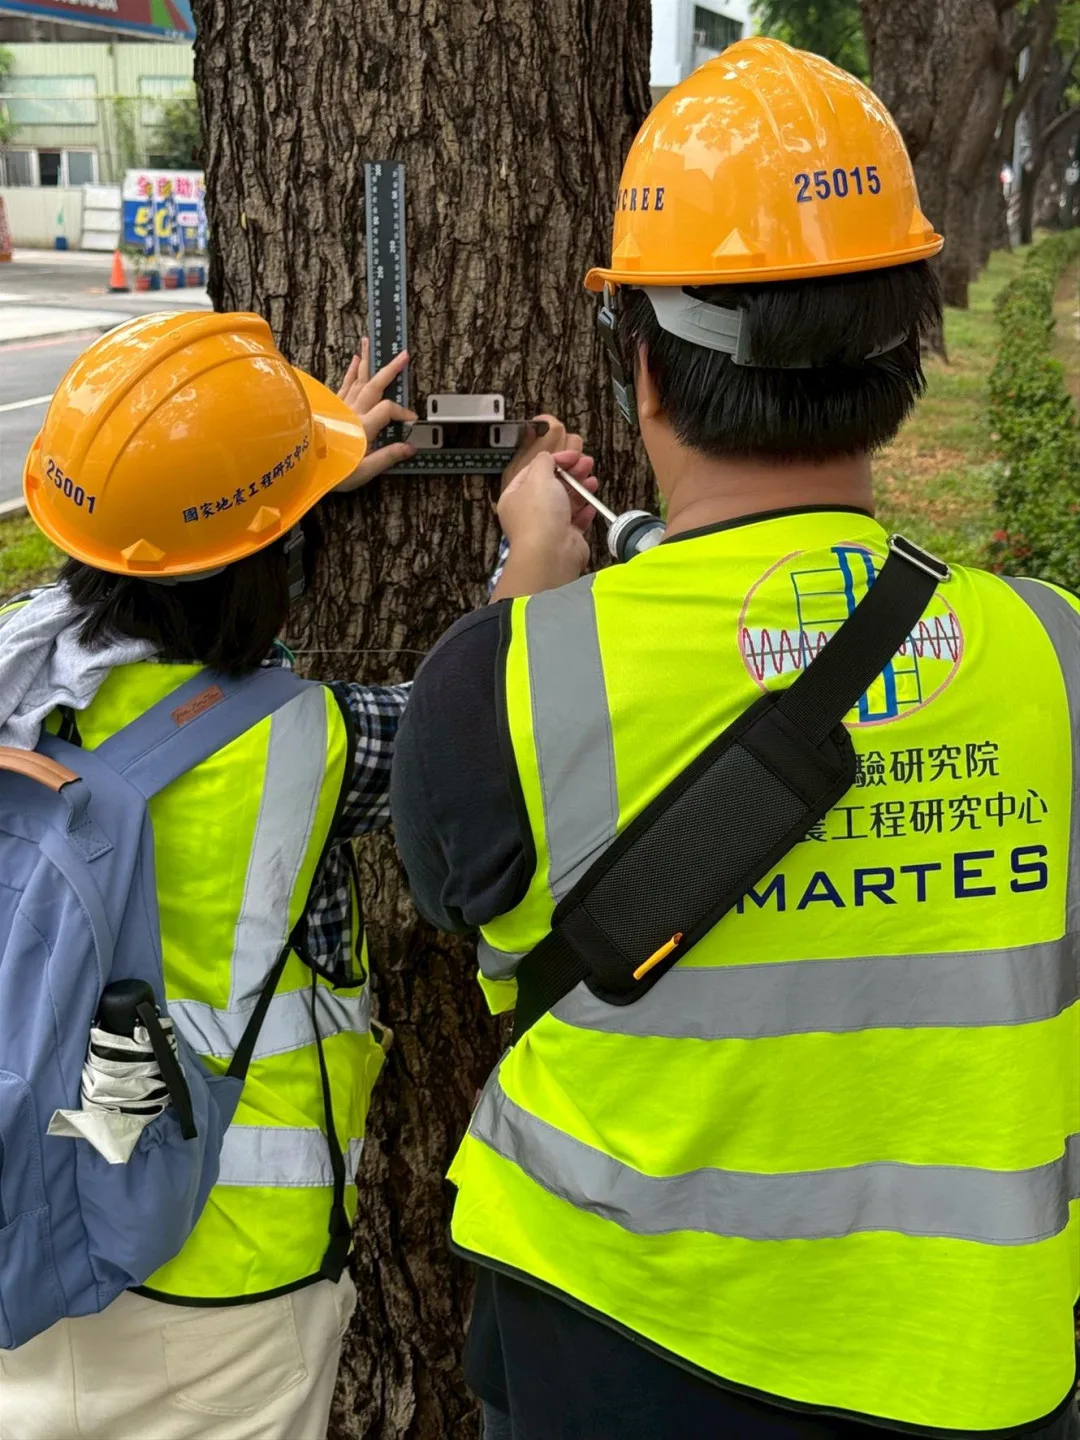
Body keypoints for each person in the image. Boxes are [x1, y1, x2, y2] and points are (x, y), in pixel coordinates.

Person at [390, 36, 1080, 1440]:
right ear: (909, 356)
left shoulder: (499, 688)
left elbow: (465, 898)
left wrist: (529, 590)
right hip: (977, 1369)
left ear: (645, 369)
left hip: (617, 1358)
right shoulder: (1058, 657)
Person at [0, 310, 595, 1440]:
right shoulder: (297, 741)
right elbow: (482, 739)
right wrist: (536, 566)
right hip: (215, 1296)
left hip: (21, 1241)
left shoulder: (20, 670)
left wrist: (268, 481)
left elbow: (150, 584)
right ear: (277, 559)